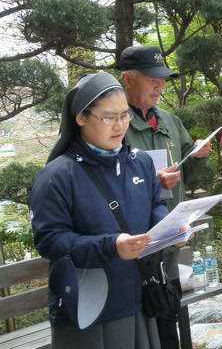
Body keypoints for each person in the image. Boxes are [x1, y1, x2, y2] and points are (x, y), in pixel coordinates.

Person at [30, 72, 167, 349]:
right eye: (108, 117)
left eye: (125, 115)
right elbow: (50, 240)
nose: (119, 126)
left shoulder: (139, 161)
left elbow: (157, 204)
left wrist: (169, 229)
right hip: (88, 306)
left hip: (138, 294)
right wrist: (110, 245)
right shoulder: (57, 175)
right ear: (80, 118)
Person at [119, 45, 211, 348]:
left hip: (171, 234)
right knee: (143, 321)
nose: (160, 85)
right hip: (133, 245)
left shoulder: (170, 121)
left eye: (163, 78)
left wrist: (198, 155)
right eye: (151, 78)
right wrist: (150, 180)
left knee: (168, 308)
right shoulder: (114, 125)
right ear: (127, 79)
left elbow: (190, 166)